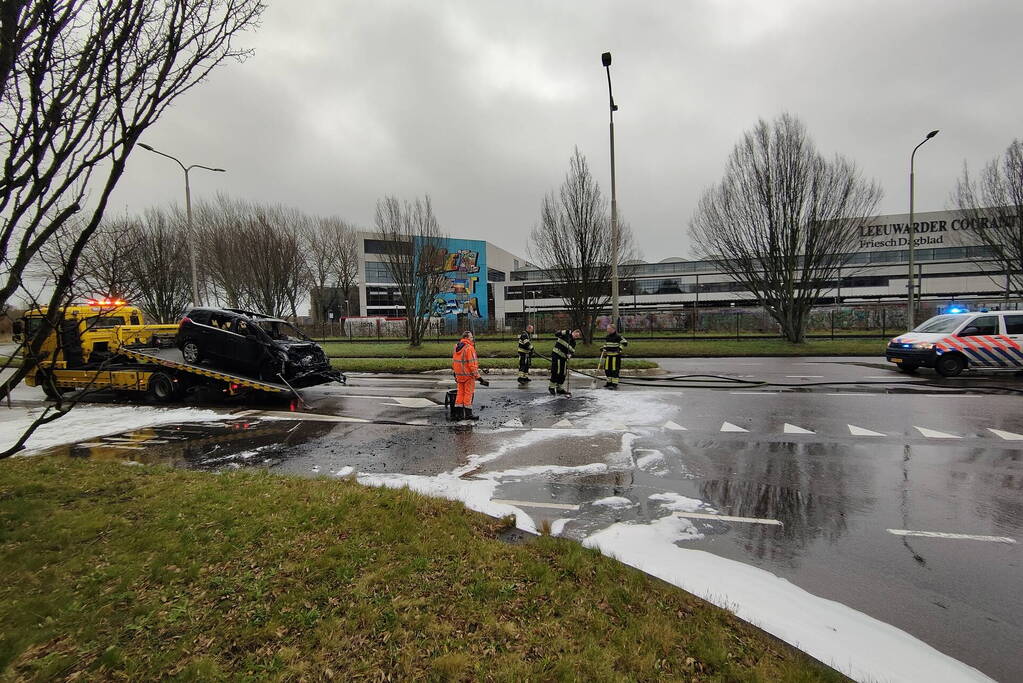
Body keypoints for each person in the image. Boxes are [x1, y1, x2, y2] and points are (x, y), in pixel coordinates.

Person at [451, 330, 481, 421]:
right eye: (471, 337)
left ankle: (458, 415)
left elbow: (455, 362)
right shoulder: (469, 348)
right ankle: (468, 414)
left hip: (459, 375)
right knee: (468, 394)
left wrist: (455, 373)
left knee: (460, 394)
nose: (472, 338)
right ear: (467, 338)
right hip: (468, 376)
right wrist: (478, 376)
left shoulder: (457, 346)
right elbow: (471, 364)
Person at [548, 328, 581, 396]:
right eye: (575, 335)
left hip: (564, 358)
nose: (575, 337)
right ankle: (551, 387)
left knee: (563, 373)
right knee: (557, 371)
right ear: (573, 332)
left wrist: (570, 355)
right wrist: (565, 331)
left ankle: (559, 388)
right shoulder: (565, 335)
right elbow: (556, 334)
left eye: (577, 337)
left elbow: (572, 351)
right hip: (557, 355)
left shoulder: (573, 342)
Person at [601, 324, 629, 389]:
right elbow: (606, 345)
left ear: (613, 329)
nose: (607, 330)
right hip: (608, 356)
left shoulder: (618, 336)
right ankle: (609, 382)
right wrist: (603, 348)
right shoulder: (607, 337)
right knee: (607, 370)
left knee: (614, 370)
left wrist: (619, 348)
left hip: (615, 357)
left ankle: (614, 383)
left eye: (608, 329)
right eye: (607, 328)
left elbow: (625, 343)